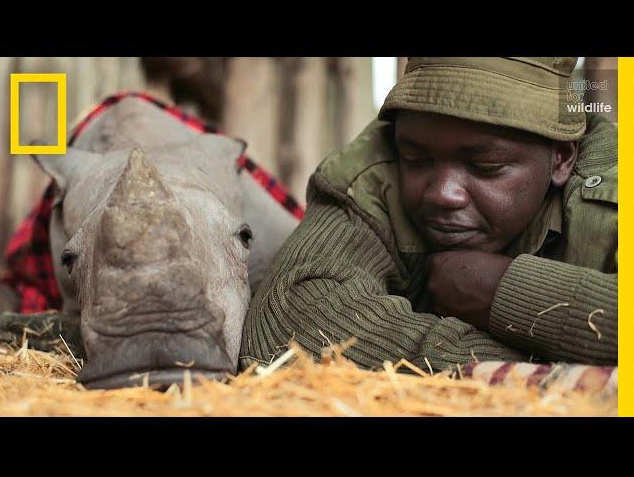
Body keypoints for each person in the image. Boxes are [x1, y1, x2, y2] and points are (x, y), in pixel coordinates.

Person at [240, 57, 617, 372]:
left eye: (485, 166)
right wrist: (516, 371)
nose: (442, 194)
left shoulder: (614, 188)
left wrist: (505, 291)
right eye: (417, 160)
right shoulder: (371, 176)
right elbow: (288, 325)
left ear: (561, 159)